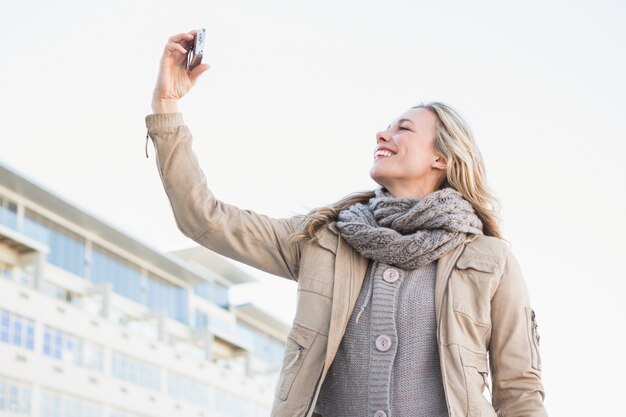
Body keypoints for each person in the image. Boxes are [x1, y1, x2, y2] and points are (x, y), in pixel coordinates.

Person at [145, 31, 548, 417]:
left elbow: (520, 393)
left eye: (402, 129)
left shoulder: (490, 260)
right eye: (388, 126)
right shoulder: (322, 238)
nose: (382, 133)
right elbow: (204, 219)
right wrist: (166, 105)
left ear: (441, 158)